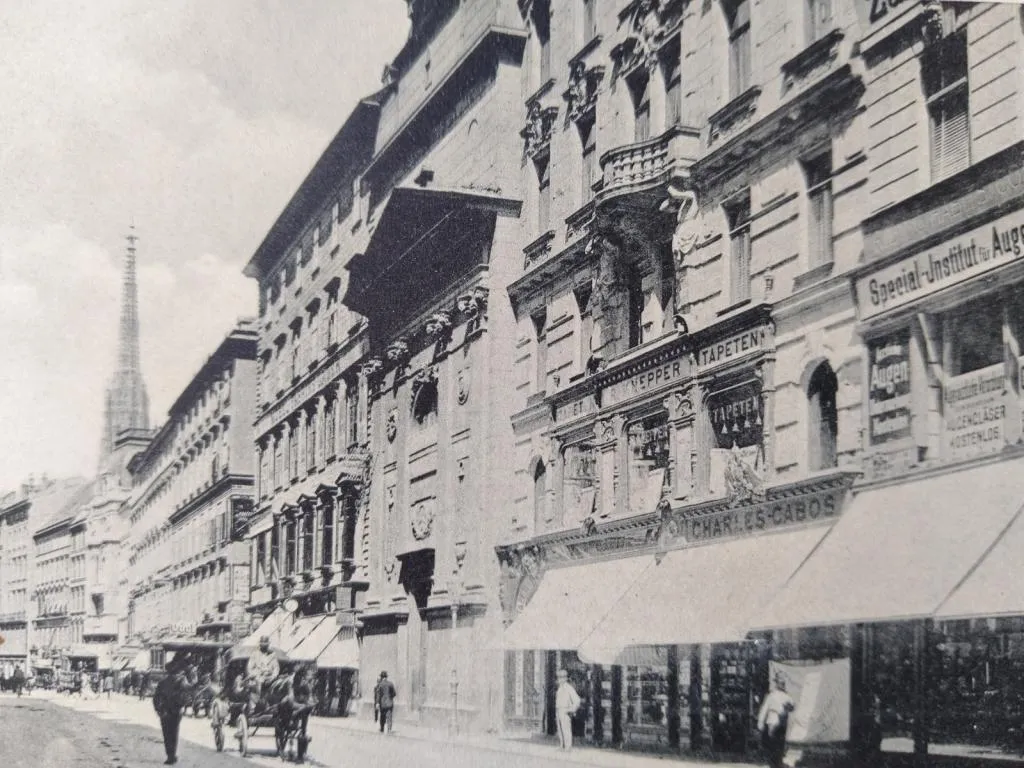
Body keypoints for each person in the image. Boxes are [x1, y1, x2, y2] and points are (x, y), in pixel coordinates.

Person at [153, 662, 189, 765]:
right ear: (177, 671)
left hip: (164, 711)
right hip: (177, 711)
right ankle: (172, 755)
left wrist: (158, 709)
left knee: (166, 734)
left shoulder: (162, 682)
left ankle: (170, 755)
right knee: (174, 733)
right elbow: (187, 694)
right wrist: (184, 706)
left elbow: (155, 698)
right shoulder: (182, 681)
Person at [758, 671, 796, 768]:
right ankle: (773, 763)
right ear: (776, 683)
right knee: (773, 743)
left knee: (780, 743)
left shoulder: (787, 696)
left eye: (783, 683)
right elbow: (764, 709)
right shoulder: (772, 695)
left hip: (783, 722)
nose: (782, 684)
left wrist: (790, 706)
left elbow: (792, 706)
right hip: (772, 720)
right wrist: (760, 721)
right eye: (780, 682)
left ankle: (778, 763)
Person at [554, 669, 581, 751]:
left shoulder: (569, 688)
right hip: (559, 710)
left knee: (566, 729)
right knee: (560, 729)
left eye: (562, 677)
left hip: (565, 710)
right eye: (559, 677)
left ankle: (568, 747)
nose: (560, 679)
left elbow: (577, 700)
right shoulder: (559, 688)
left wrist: (571, 710)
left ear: (566, 678)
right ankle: (562, 745)